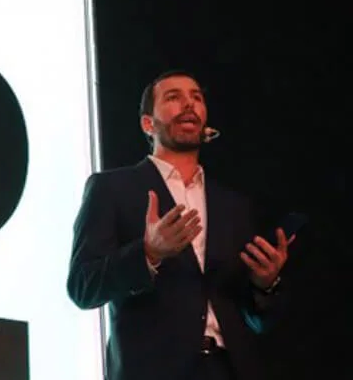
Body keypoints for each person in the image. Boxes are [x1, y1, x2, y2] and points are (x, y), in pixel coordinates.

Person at [66, 70, 293, 380]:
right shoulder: (111, 189)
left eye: (196, 98)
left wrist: (265, 284)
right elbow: (82, 286)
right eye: (173, 97)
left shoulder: (233, 205)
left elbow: (256, 319)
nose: (189, 104)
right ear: (148, 124)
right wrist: (148, 253)